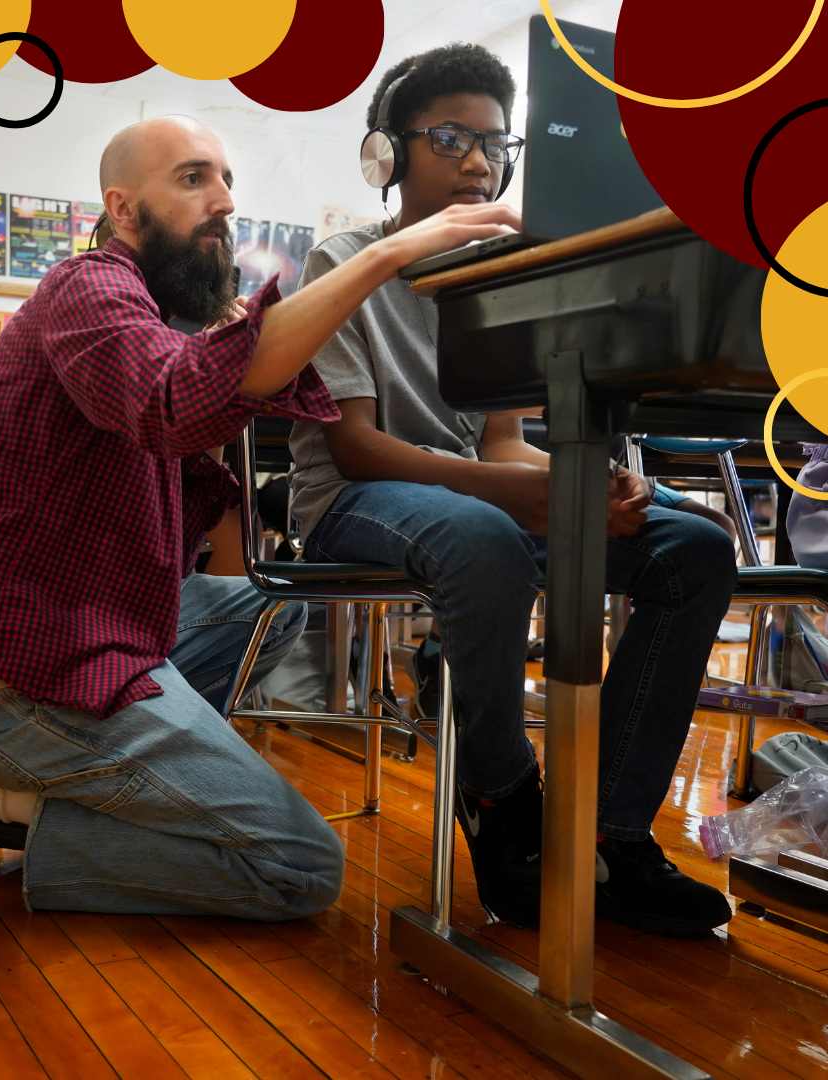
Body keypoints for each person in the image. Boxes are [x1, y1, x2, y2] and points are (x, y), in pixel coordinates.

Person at [0, 114, 520, 922]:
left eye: (228, 181)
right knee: (298, 866)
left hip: (80, 625)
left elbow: (213, 500)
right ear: (123, 209)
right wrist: (383, 255)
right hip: (5, 660)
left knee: (273, 608)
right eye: (194, 178)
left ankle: (71, 773)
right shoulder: (88, 285)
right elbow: (172, 403)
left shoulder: (159, 320)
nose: (225, 201)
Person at [289, 45, 737, 936]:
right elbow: (357, 450)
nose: (478, 161)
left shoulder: (501, 274)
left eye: (496, 143)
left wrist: (586, 479)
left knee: (693, 547)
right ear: (388, 154)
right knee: (482, 537)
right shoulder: (342, 261)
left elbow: (500, 441)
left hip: (464, 503)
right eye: (450, 138)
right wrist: (513, 494)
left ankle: (606, 830)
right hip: (353, 502)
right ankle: (502, 798)